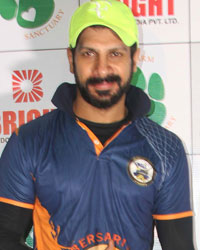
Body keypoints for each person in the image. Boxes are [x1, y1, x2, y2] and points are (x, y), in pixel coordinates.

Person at [0, 0, 195, 249]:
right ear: (71, 58)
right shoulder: (29, 141)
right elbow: (3, 238)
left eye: (115, 53)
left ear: (134, 59)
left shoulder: (167, 149)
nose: (102, 68)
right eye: (89, 53)